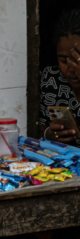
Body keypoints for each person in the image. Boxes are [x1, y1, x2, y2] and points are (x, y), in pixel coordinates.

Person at [39, 9, 80, 145]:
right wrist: (49, 134)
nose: (71, 68)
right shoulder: (51, 79)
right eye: (63, 61)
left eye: (77, 60)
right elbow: (39, 127)